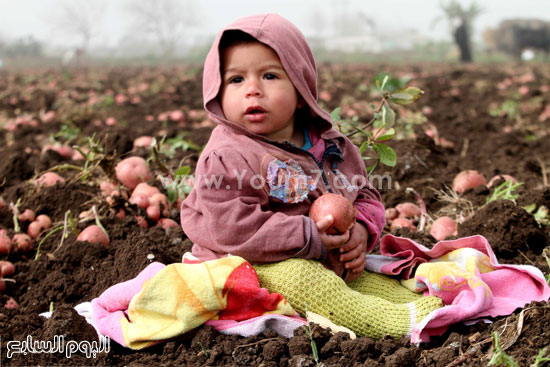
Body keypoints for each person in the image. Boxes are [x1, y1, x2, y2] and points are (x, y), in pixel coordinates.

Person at [180, 13, 442, 339]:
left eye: (270, 75)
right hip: (249, 261)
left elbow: (365, 195)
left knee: (362, 277)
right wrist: (306, 235)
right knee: (306, 280)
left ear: (301, 87)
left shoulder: (331, 145)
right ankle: (389, 324)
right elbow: (232, 228)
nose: (252, 90)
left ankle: (416, 306)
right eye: (236, 80)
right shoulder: (227, 156)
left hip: (325, 257)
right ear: (217, 91)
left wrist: (362, 228)